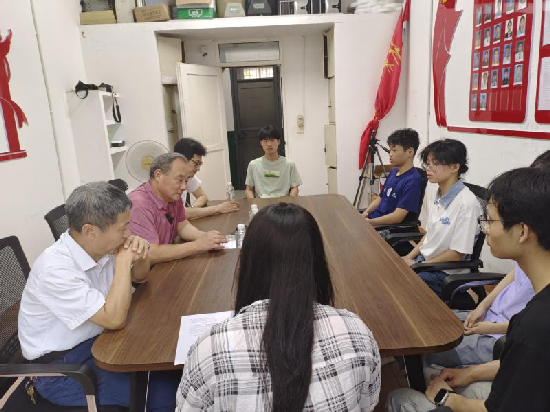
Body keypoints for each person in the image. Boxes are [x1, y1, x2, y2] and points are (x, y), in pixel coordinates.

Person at [175, 203, 381, 412]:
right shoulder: (357, 333)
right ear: (316, 261)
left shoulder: (210, 350)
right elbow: (366, 403)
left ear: (249, 263)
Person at [388, 151, 550, 412]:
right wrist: (470, 373)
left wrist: (447, 399)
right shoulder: (535, 305)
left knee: (399, 397)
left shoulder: (534, 326)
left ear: (522, 231)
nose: (485, 230)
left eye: (490, 221)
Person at [18, 182, 151, 408]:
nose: (128, 234)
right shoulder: (55, 269)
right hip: (64, 371)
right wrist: (123, 261)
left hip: (101, 344)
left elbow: (140, 276)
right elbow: (114, 319)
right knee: (159, 395)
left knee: (166, 373)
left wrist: (141, 251)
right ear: (90, 231)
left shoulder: (100, 247)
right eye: (123, 229)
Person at [401, 139, 482, 297]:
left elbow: (457, 254)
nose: (428, 168)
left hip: (444, 271)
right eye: (427, 163)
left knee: (398, 284)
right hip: (426, 262)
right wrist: (409, 258)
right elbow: (428, 236)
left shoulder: (467, 204)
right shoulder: (440, 194)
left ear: (455, 167)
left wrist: (419, 265)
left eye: (435, 163)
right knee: (393, 269)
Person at [129, 152, 227, 265]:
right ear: (158, 175)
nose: (184, 187)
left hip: (166, 263)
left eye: (186, 181)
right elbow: (150, 253)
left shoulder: (172, 196)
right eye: (179, 180)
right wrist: (197, 245)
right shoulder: (138, 203)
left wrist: (204, 237)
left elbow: (182, 226)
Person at [362, 128, 423, 226]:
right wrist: (366, 212)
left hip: (384, 227)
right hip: (373, 220)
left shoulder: (413, 180)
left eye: (394, 150)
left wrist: (370, 223)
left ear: (410, 152)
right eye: (390, 150)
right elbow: (380, 198)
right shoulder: (394, 171)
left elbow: (397, 217)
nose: (390, 154)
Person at [173, 137, 239, 220]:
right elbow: (179, 213)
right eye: (196, 163)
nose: (198, 169)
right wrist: (217, 208)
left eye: (199, 164)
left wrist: (192, 209)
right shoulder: (168, 180)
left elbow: (203, 197)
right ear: (181, 160)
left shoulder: (189, 176)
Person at [245, 125, 302, 198]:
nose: (269, 144)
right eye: (265, 141)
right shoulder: (254, 165)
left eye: (272, 140)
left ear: (278, 141)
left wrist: (290, 201)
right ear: (261, 143)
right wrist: (253, 203)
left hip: (283, 202)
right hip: (262, 202)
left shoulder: (289, 164)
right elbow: (249, 189)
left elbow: (295, 187)